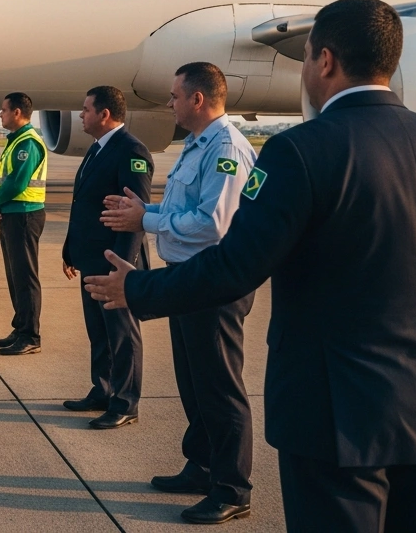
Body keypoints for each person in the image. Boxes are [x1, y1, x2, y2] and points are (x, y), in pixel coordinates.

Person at [85, 0, 416, 532]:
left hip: (338, 414)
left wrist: (137, 290)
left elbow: (234, 265)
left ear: (324, 61)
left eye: (304, 60)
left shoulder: (299, 153)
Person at [98, 63, 256, 524]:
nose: (170, 103)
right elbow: (181, 208)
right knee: (193, 380)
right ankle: (203, 465)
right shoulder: (197, 144)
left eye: (174, 96)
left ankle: (232, 488)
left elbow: (213, 223)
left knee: (219, 385)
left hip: (215, 284)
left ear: (198, 100)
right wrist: (144, 208)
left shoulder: (226, 147)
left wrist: (145, 221)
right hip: (189, 280)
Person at [61, 85, 152, 426]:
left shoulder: (132, 151)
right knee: (98, 330)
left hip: (116, 264)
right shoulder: (97, 149)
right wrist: (71, 251)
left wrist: (124, 269)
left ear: (104, 114)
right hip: (92, 260)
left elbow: (135, 215)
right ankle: (102, 389)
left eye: (86, 110)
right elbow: (82, 205)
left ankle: (126, 402)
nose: (81, 115)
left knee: (122, 333)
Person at [0, 93, 48, 356]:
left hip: (25, 217)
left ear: (17, 112)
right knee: (14, 275)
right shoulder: (16, 141)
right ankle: (21, 328)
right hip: (13, 214)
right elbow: (5, 179)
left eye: (4, 110)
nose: (0, 114)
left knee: (25, 277)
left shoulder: (27, 144)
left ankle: (31, 335)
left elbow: (17, 184)